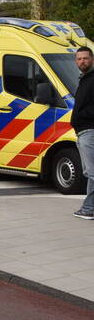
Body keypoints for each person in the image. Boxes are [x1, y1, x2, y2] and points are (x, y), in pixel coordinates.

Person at [71, 46, 94, 219]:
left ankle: (88, 208)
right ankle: (88, 208)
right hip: (83, 131)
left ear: (92, 59)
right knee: (89, 172)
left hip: (89, 130)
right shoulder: (84, 79)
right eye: (79, 59)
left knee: (92, 172)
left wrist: (80, 116)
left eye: (85, 58)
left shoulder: (92, 79)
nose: (82, 61)